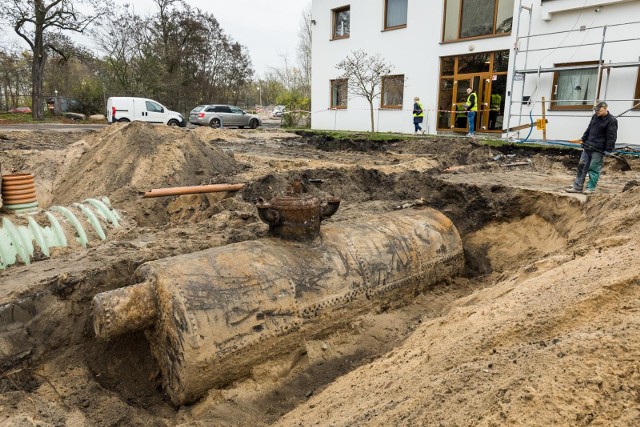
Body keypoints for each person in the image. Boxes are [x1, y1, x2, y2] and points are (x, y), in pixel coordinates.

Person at [566, 101, 618, 194]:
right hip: (588, 146)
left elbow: (612, 136)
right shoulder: (595, 117)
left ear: (605, 108)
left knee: (593, 168)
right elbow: (589, 129)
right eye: (595, 110)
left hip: (598, 149)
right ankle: (577, 187)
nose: (596, 112)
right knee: (581, 166)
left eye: (599, 110)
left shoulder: (612, 120)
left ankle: (590, 188)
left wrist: (608, 149)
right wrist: (583, 139)